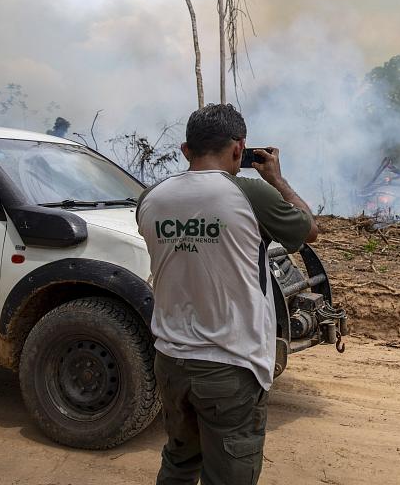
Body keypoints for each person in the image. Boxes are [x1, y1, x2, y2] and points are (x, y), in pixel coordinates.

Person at [136, 103, 318, 485]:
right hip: (229, 364)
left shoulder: (151, 198)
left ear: (186, 150)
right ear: (240, 149)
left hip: (170, 360)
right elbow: (307, 231)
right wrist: (278, 180)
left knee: (179, 464)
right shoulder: (248, 192)